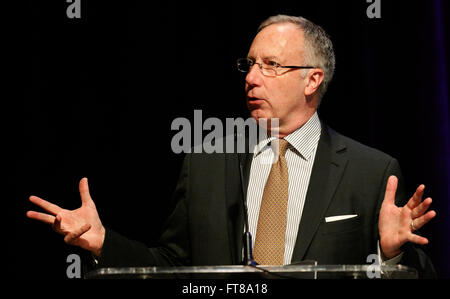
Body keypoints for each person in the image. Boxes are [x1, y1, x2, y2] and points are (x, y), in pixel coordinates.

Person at [27, 15, 436, 277]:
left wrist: (389, 255)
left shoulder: (371, 172)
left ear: (312, 80)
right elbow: (173, 264)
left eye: (271, 66)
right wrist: (102, 243)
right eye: (250, 65)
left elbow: (418, 273)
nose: (252, 78)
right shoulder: (207, 162)